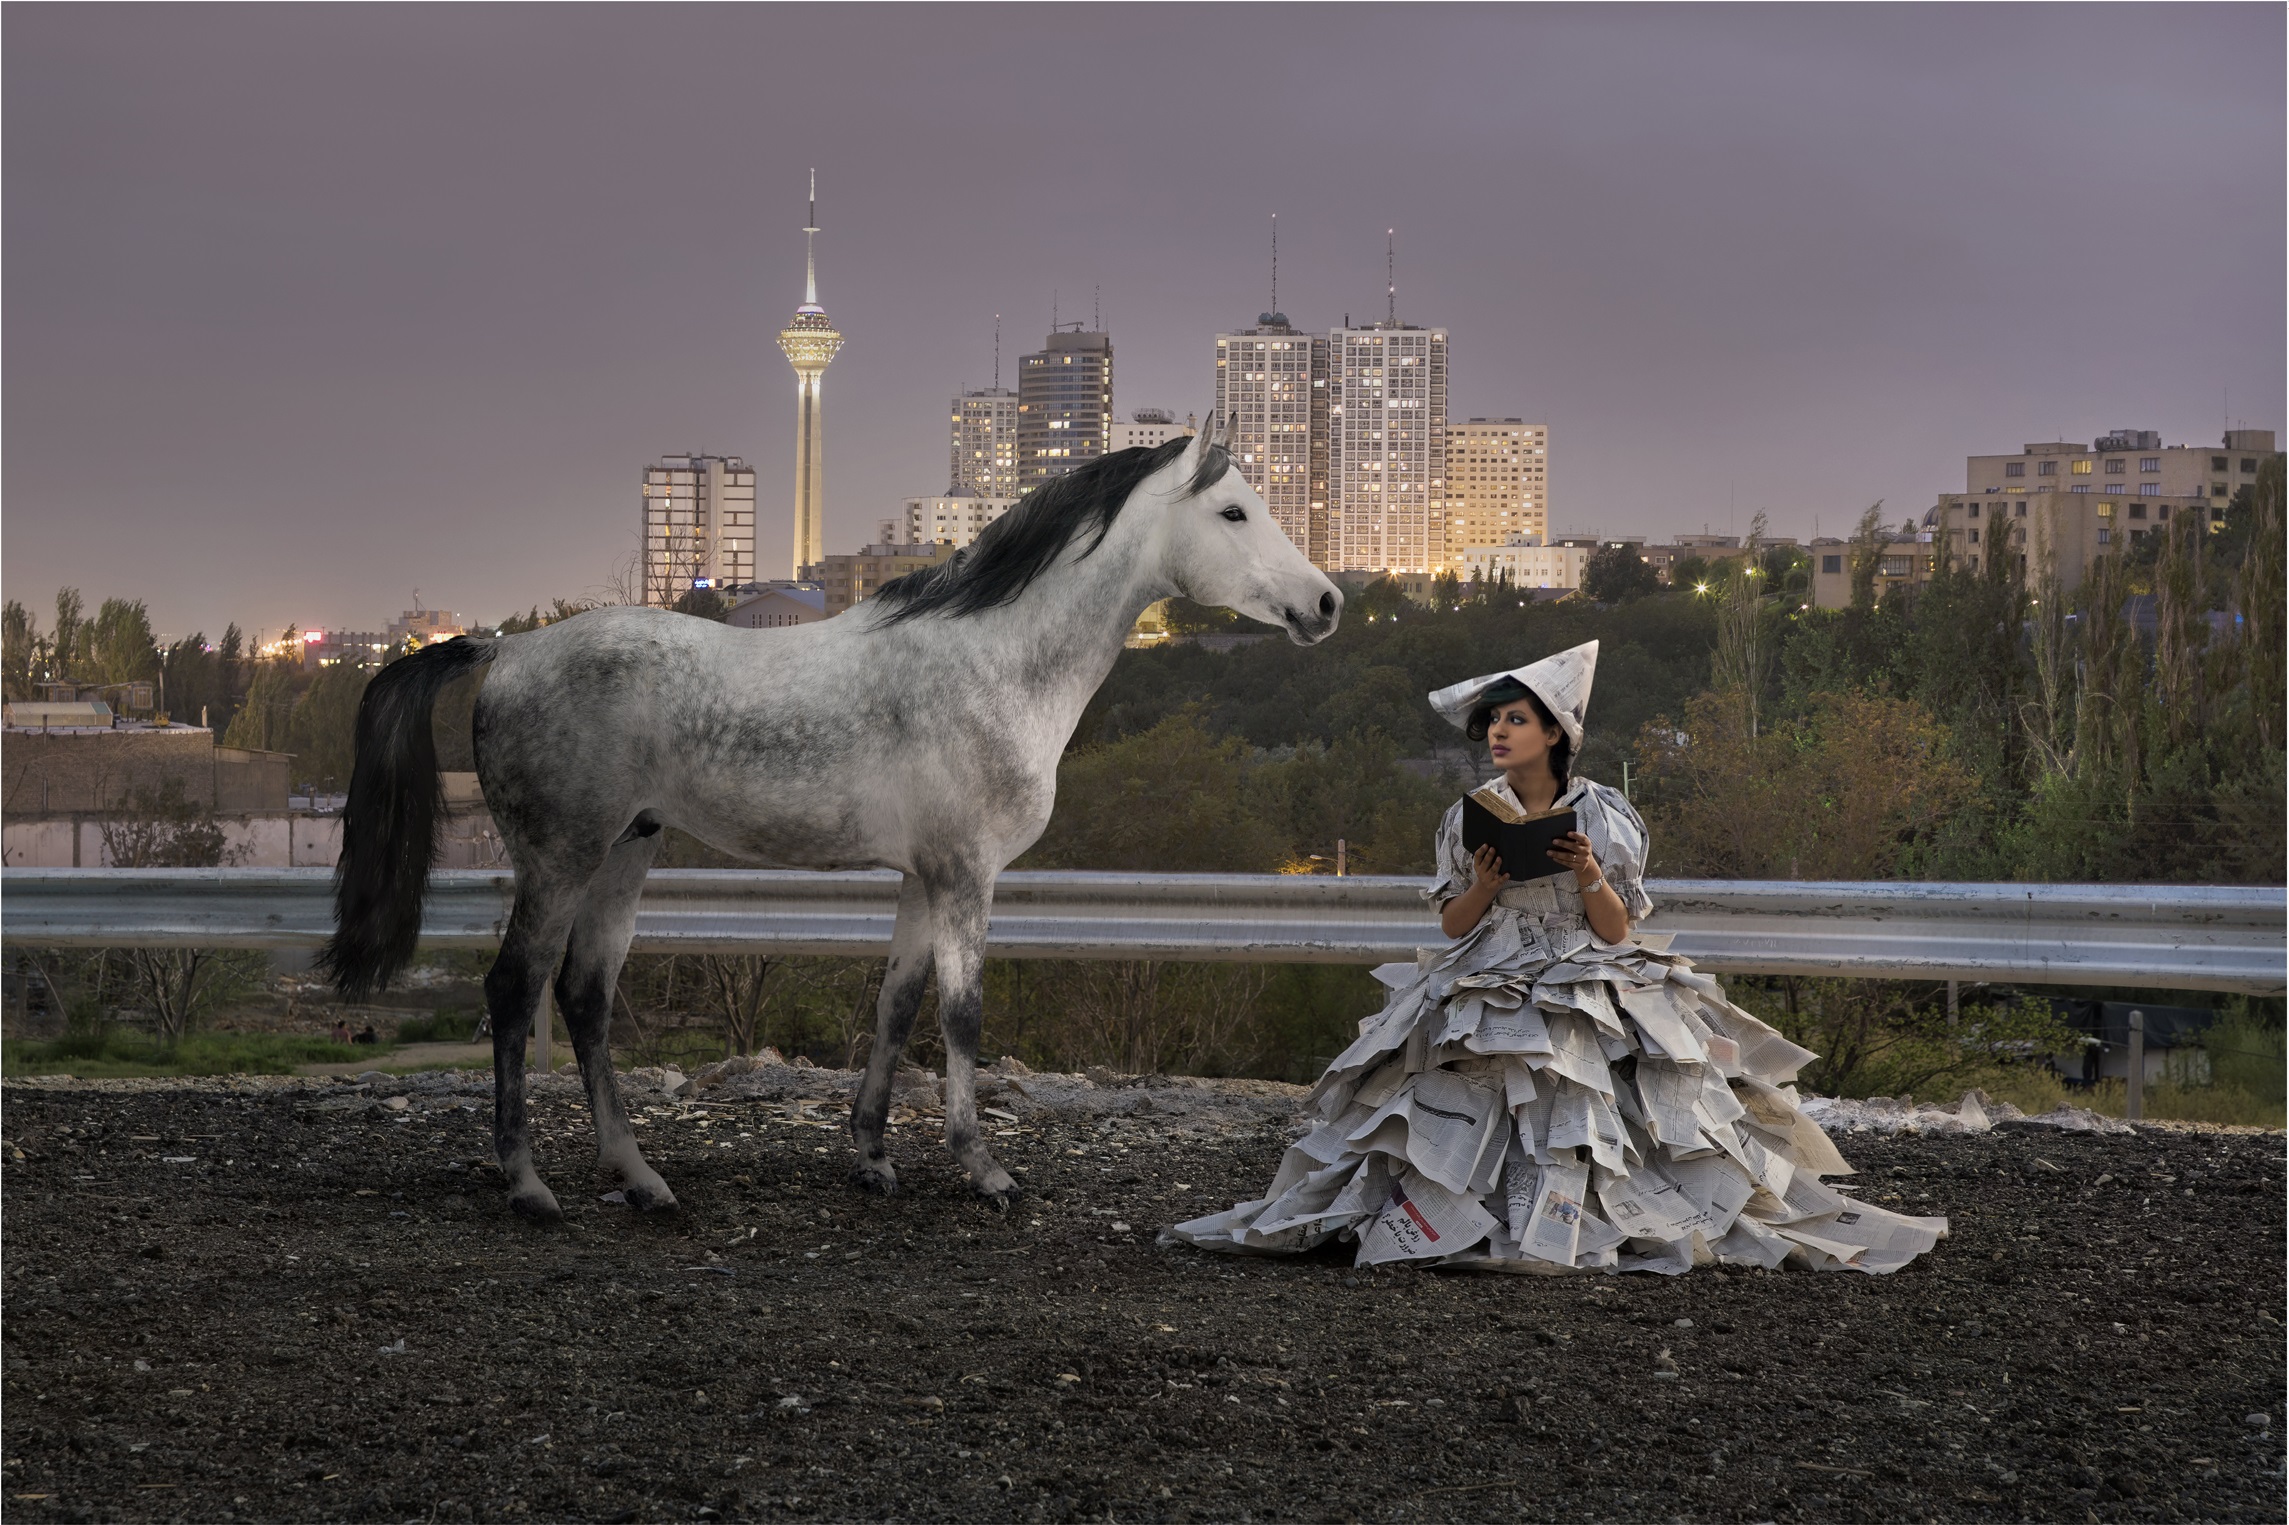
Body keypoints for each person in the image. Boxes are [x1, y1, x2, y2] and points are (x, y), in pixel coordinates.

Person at [1168, 640, 1946, 1275]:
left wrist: (1586, 873)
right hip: (1488, 967)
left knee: (1580, 1082)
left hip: (1582, 968)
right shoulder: (1468, 816)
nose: (1499, 734)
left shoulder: (1604, 814)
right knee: (1459, 1075)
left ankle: (1577, 1216)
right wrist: (1483, 883)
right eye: (1493, 723)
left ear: (1554, 733)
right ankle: (1459, 1213)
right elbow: (1451, 926)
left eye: (1515, 719)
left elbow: (1615, 930)